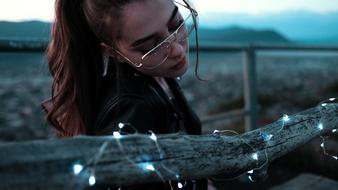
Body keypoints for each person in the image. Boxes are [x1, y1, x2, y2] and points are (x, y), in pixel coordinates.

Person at [42, 0, 207, 189]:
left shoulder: (158, 75)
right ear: (115, 53)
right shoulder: (130, 109)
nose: (177, 51)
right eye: (150, 47)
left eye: (176, 24)